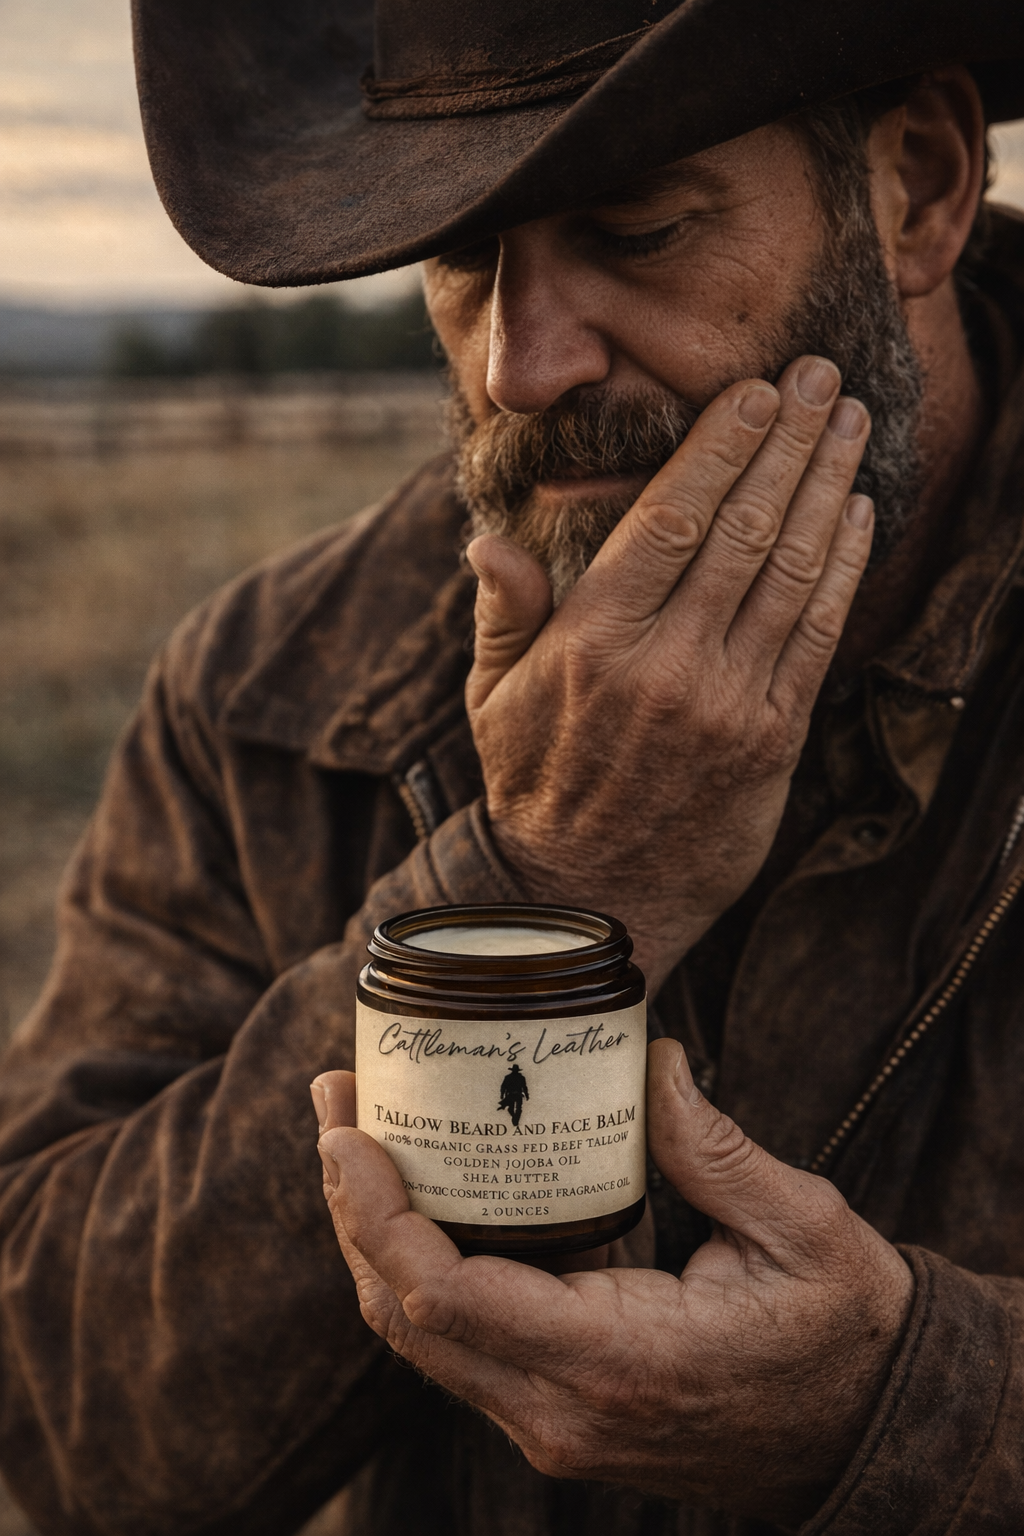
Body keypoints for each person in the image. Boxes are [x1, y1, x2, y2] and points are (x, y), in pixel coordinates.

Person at [2, 2, 1024, 1533]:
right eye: (465, 257)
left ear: (920, 187)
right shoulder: (276, 694)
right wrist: (539, 883)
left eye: (638, 230)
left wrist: (901, 1408)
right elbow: (62, 1425)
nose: (523, 365)